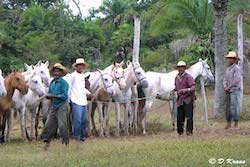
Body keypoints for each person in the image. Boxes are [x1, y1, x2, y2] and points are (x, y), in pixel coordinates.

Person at [41, 63, 69, 150]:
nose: (56, 73)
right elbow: (50, 93)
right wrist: (48, 97)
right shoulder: (52, 82)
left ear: (61, 73)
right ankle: (46, 143)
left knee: (62, 125)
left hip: (62, 105)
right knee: (48, 124)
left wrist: (53, 96)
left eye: (58, 71)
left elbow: (64, 96)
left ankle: (66, 142)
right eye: (55, 71)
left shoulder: (64, 83)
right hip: (54, 105)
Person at [64, 58, 92, 141]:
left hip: (83, 100)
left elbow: (82, 88)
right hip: (75, 100)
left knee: (85, 120)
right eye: (79, 65)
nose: (80, 67)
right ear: (76, 67)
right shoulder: (72, 76)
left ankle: (83, 136)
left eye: (82, 65)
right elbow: (69, 87)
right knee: (78, 120)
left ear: (83, 67)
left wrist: (89, 93)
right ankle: (76, 136)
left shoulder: (82, 76)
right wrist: (68, 99)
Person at [174, 61, 196, 136]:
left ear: (184, 68)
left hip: (188, 99)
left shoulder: (188, 77)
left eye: (182, 67)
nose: (180, 69)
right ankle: (180, 132)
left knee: (189, 116)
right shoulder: (176, 78)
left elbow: (193, 88)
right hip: (180, 100)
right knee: (179, 117)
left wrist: (186, 90)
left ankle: (189, 132)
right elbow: (176, 88)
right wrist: (175, 91)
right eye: (179, 67)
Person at [223, 51, 241, 130]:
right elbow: (224, 79)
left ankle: (236, 123)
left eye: (231, 59)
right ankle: (228, 123)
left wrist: (229, 87)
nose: (230, 60)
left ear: (235, 60)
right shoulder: (228, 69)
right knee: (228, 107)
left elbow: (236, 80)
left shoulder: (237, 68)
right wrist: (225, 86)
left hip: (234, 89)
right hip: (228, 90)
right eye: (229, 58)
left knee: (234, 106)